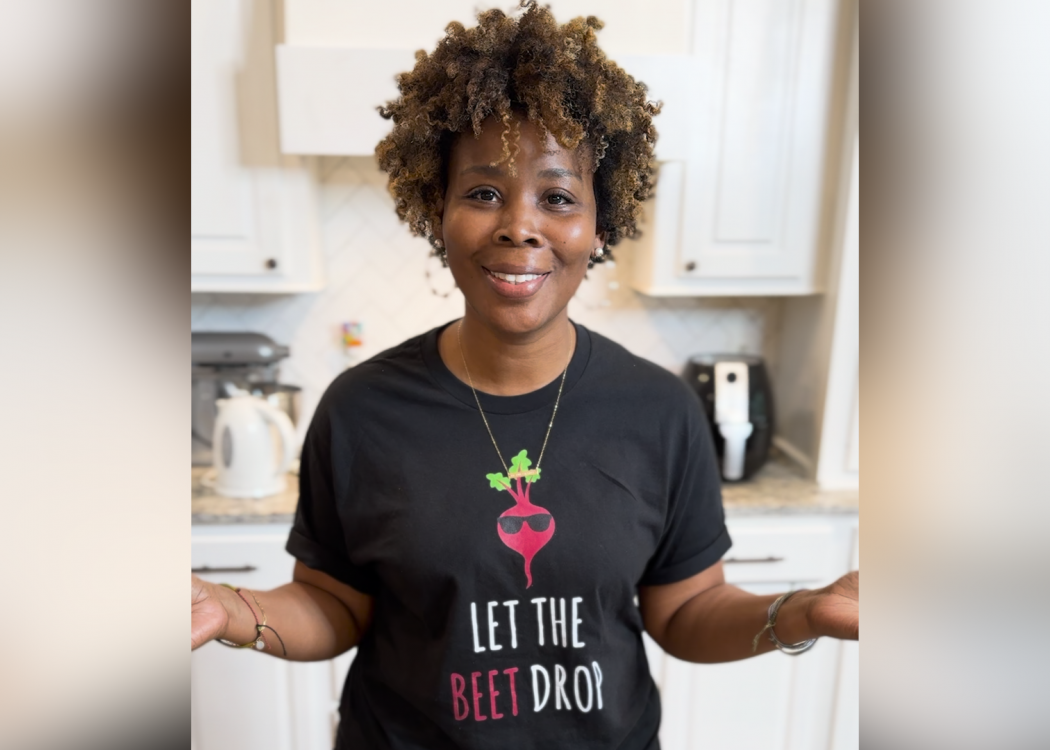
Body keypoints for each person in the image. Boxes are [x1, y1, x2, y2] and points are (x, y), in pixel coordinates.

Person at [191, 4, 859, 748]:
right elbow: (333, 605)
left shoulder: (660, 411)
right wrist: (228, 607)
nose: (520, 225)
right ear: (435, 213)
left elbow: (685, 613)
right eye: (481, 193)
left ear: (599, 227)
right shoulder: (361, 410)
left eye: (559, 196)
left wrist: (804, 612)